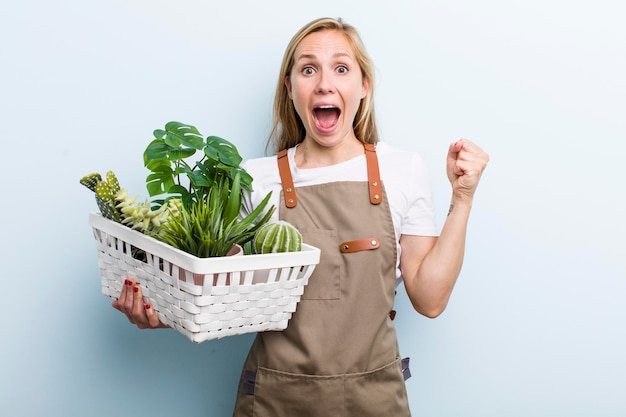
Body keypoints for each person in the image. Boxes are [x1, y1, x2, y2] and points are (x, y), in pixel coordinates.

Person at [114, 17, 489, 416]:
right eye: (308, 69)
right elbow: (220, 295)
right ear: (290, 88)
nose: (325, 83)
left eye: (341, 68)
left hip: (374, 400)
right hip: (275, 399)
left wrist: (462, 198)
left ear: (363, 87)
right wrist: (164, 313)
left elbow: (430, 300)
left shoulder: (403, 170)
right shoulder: (254, 181)